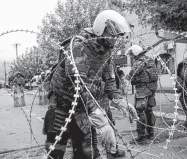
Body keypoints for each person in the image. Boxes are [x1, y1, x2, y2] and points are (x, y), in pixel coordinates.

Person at [43, 10, 138, 159]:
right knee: (56, 146)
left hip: (83, 103)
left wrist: (120, 101)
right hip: (64, 100)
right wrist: (97, 112)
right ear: (101, 29)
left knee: (86, 148)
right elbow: (79, 83)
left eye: (118, 35)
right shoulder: (78, 46)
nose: (115, 39)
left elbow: (110, 82)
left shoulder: (106, 51)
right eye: (113, 34)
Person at [125, 45, 158, 145]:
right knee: (149, 111)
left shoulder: (139, 62)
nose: (131, 56)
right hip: (151, 89)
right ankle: (150, 134)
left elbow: (131, 75)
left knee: (139, 112)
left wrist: (126, 79)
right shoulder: (149, 60)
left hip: (142, 90)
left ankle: (141, 137)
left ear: (135, 53)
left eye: (131, 54)